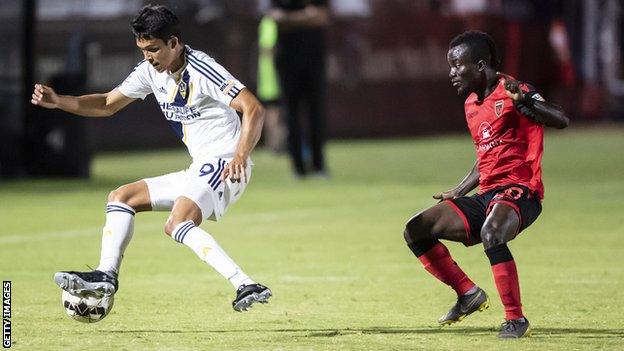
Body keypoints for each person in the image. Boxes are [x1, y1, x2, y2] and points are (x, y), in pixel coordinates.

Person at [31, 4, 272, 312]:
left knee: (177, 222)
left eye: (154, 49)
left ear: (175, 42)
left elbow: (254, 108)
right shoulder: (150, 71)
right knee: (121, 197)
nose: (148, 57)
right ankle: (106, 275)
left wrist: (240, 155)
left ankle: (245, 283)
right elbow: (107, 103)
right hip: (201, 166)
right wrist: (59, 101)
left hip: (225, 163)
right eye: (143, 49)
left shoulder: (202, 69)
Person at [402, 31, 569, 338]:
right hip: (488, 195)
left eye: (457, 64)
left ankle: (515, 319)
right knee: (416, 229)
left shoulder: (513, 90)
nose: (452, 72)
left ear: (480, 65)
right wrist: (459, 190)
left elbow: (560, 118)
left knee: (492, 233)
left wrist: (529, 105)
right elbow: (486, 155)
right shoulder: (471, 104)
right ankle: (468, 294)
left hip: (521, 191)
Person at [270, 0, 329, 178]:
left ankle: (319, 166)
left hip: (314, 60)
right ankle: (298, 168)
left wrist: (291, 19)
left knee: (316, 114)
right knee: (291, 115)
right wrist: (306, 16)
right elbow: (276, 18)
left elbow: (321, 18)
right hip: (287, 62)